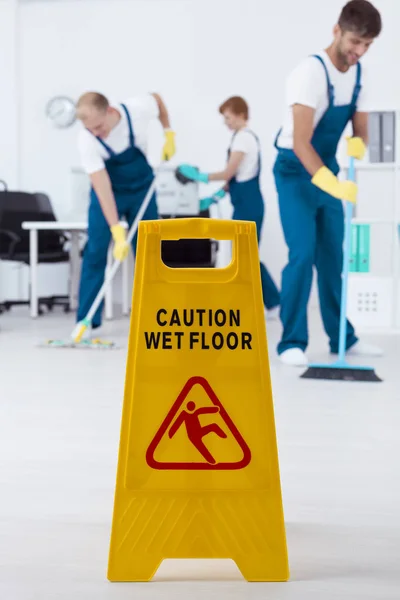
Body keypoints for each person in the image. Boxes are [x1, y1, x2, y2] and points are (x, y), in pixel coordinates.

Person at [273, 0, 383, 366]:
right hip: (294, 170)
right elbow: (302, 142)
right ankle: (292, 341)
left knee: (333, 257)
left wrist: (357, 143)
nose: (359, 51)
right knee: (302, 254)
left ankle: (342, 338)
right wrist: (329, 183)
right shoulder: (310, 73)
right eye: (355, 42)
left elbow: (361, 133)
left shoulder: (360, 75)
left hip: (327, 170)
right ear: (337, 30)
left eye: (367, 45)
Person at [75, 91, 175, 334]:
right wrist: (116, 230)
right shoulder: (87, 140)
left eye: (99, 127)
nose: (96, 133)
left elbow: (158, 100)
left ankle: (156, 317)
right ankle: (86, 319)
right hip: (108, 193)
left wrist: (168, 133)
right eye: (91, 130)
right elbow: (101, 186)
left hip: (142, 188)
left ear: (109, 111)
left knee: (149, 252)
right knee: (96, 250)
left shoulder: (137, 108)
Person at [176, 96, 280, 317]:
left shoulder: (244, 139)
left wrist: (199, 177)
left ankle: (274, 302)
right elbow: (235, 180)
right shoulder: (240, 138)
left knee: (246, 256)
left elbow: (227, 173)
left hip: (249, 205)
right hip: (243, 202)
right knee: (244, 256)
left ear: (241, 114)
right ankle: (269, 302)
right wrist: (215, 197)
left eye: (228, 117)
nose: (226, 122)